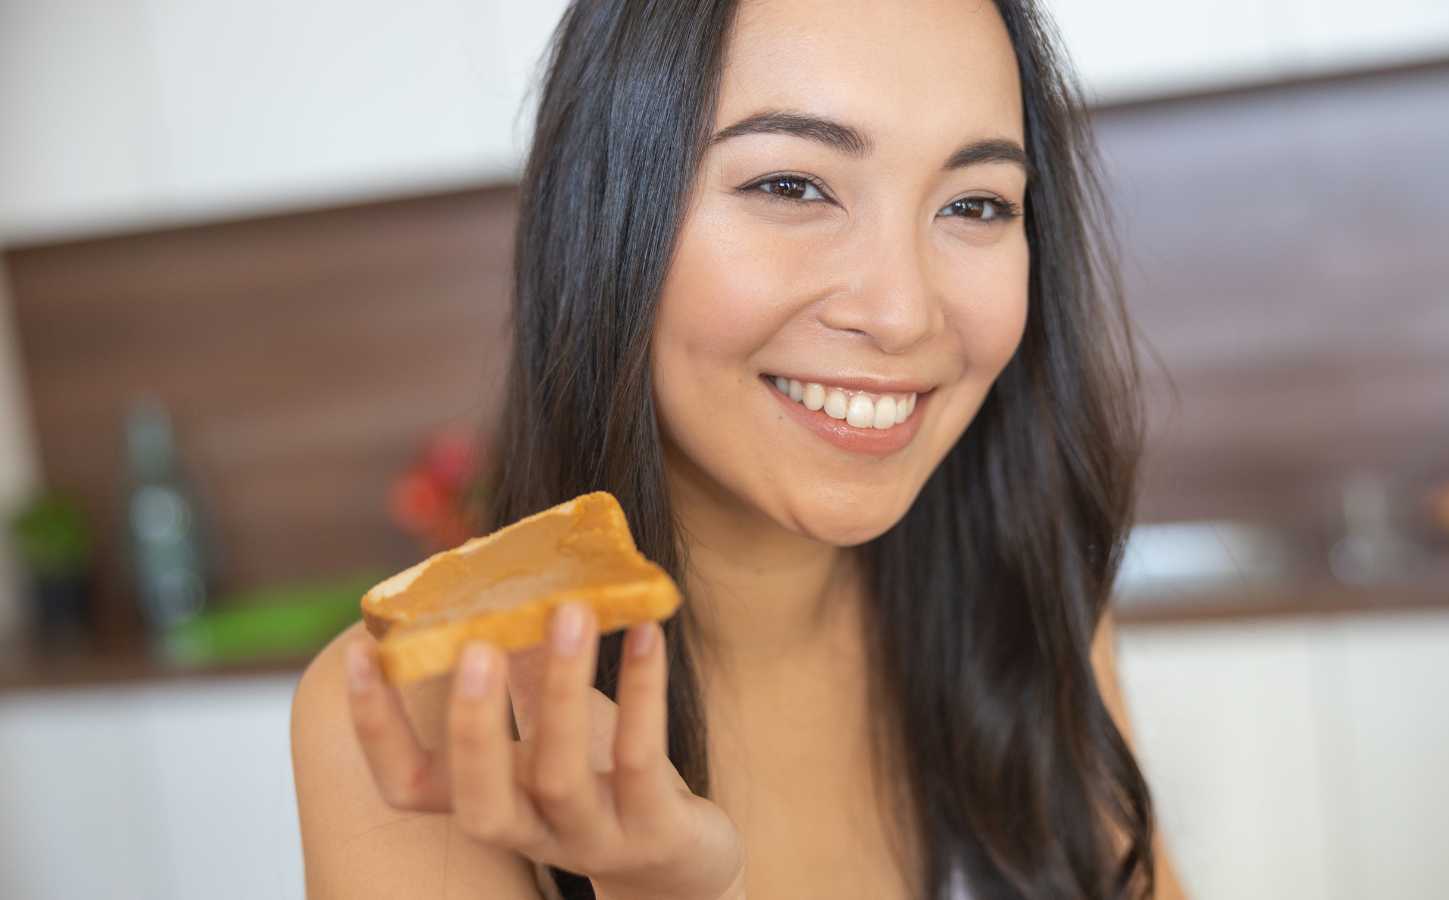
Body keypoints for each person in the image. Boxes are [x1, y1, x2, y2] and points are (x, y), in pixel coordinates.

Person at [292, 1, 1190, 898]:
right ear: (607, 211)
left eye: (976, 203)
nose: (902, 312)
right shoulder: (423, 711)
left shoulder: (1028, 603)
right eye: (792, 186)